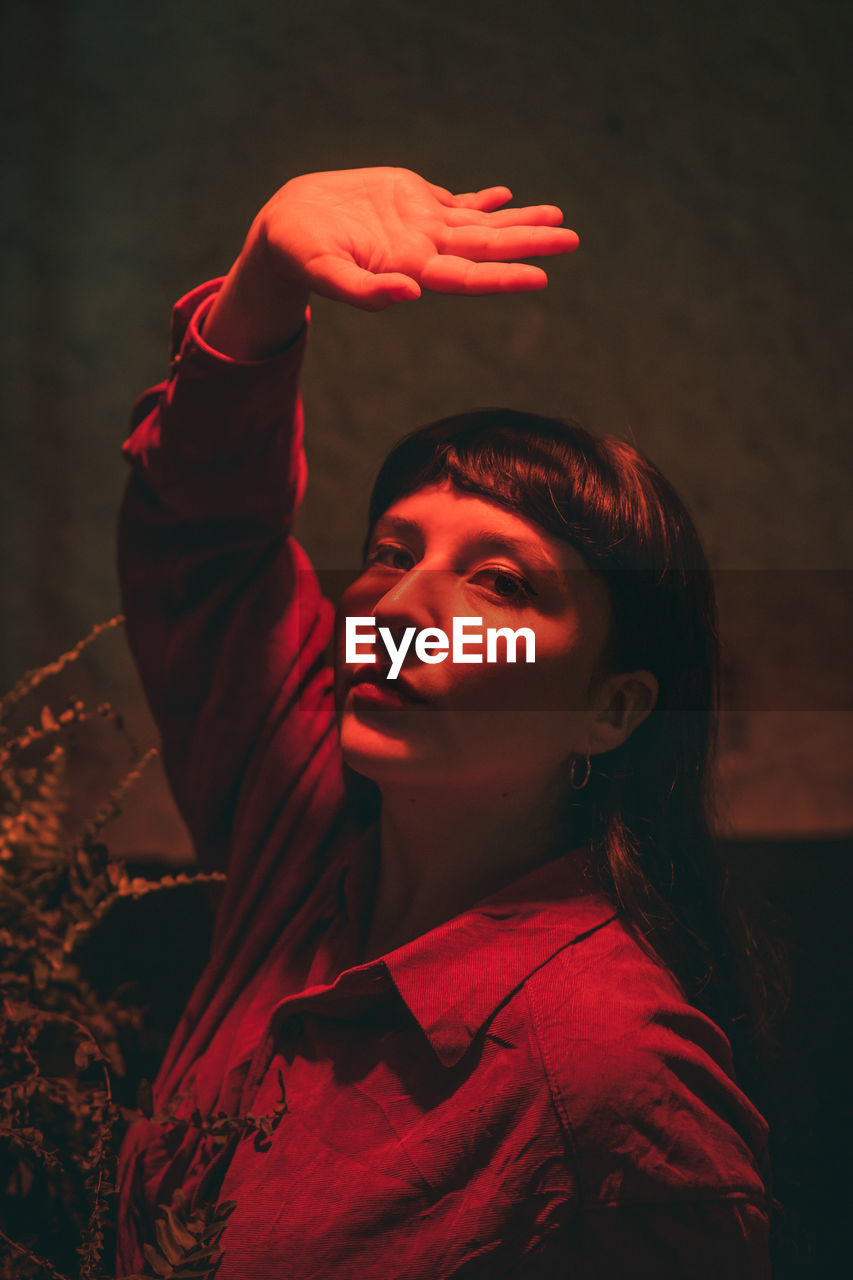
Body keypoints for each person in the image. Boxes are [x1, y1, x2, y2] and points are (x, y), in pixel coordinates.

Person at [115, 167, 772, 1278]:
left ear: (610, 709)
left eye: (501, 582)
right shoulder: (308, 840)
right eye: (391, 550)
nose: (398, 604)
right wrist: (266, 277)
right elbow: (204, 542)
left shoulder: (607, 1064)